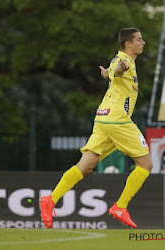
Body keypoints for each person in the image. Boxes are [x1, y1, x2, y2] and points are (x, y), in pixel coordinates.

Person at [40, 28, 152, 229]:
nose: (143, 42)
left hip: (103, 118)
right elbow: (118, 70)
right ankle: (120, 206)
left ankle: (50, 199)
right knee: (145, 164)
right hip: (117, 120)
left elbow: (112, 72)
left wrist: (106, 74)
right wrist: (115, 72)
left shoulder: (121, 61)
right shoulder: (122, 62)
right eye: (139, 39)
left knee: (86, 166)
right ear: (128, 43)